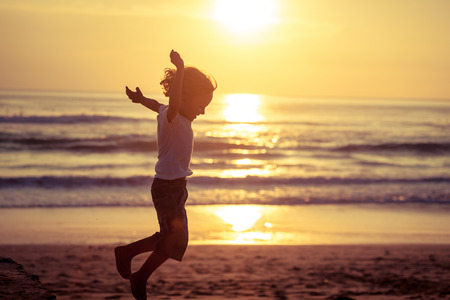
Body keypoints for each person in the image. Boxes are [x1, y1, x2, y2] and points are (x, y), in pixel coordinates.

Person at [114, 50, 217, 300]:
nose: (202, 111)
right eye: (201, 105)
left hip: (175, 187)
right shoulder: (174, 117)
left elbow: (156, 105)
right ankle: (140, 276)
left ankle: (127, 253)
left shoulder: (169, 115)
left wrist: (141, 100)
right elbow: (171, 103)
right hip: (168, 188)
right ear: (184, 97)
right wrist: (180, 69)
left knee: (169, 237)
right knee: (176, 239)